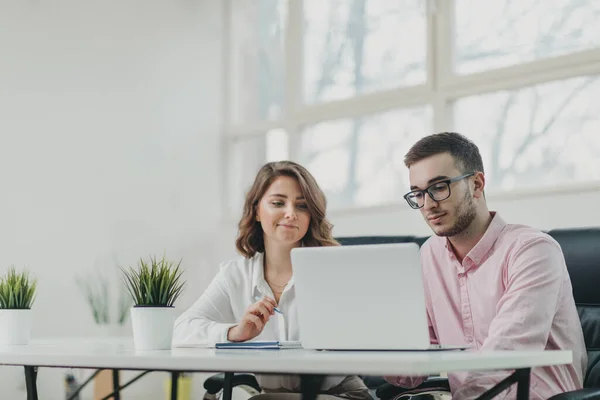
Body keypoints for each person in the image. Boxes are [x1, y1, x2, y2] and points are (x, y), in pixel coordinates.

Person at [385, 132, 587, 399]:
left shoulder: (532, 251)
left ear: (477, 184)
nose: (428, 205)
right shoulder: (428, 256)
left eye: (439, 187)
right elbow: (410, 373)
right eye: (418, 194)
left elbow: (506, 357)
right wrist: (369, 338)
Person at [173, 161, 372, 400]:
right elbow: (182, 330)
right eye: (278, 203)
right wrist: (235, 332)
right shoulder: (235, 275)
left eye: (302, 206)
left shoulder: (336, 269)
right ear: (257, 210)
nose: (290, 213)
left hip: (341, 394)